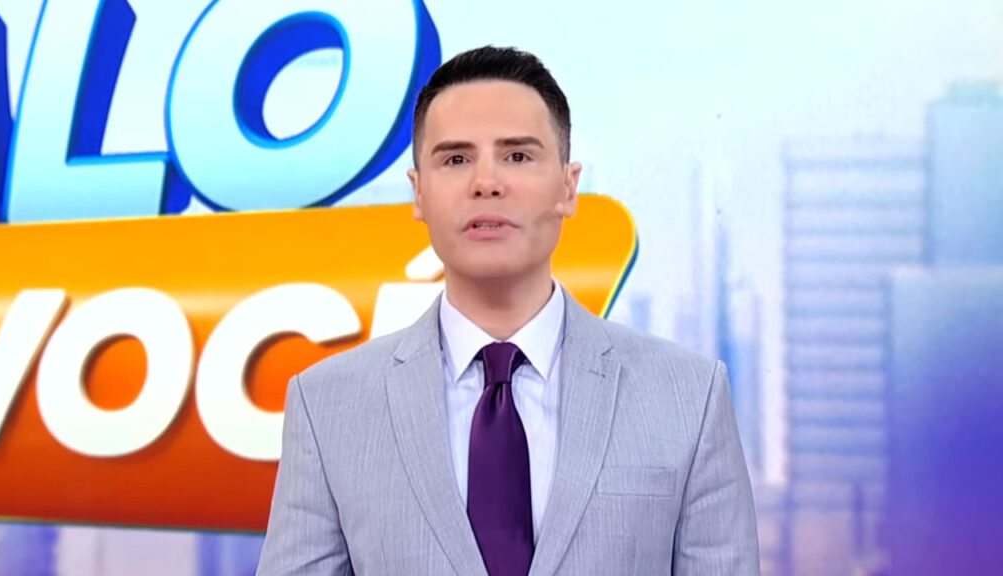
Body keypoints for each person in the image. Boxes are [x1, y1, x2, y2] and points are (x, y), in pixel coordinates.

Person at [256, 45, 759, 576]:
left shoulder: (689, 397)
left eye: (517, 156)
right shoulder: (327, 405)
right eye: (456, 159)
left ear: (568, 186)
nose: (486, 182)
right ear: (418, 194)